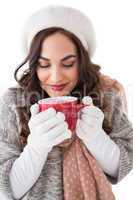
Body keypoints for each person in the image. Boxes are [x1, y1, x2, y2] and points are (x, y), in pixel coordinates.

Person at [0, 4, 133, 200]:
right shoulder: (14, 102)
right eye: (44, 64)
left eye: (68, 63)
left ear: (82, 61)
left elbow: (124, 165)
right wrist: (36, 147)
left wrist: (96, 138)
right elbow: (7, 188)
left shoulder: (105, 96)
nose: (55, 77)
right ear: (34, 65)